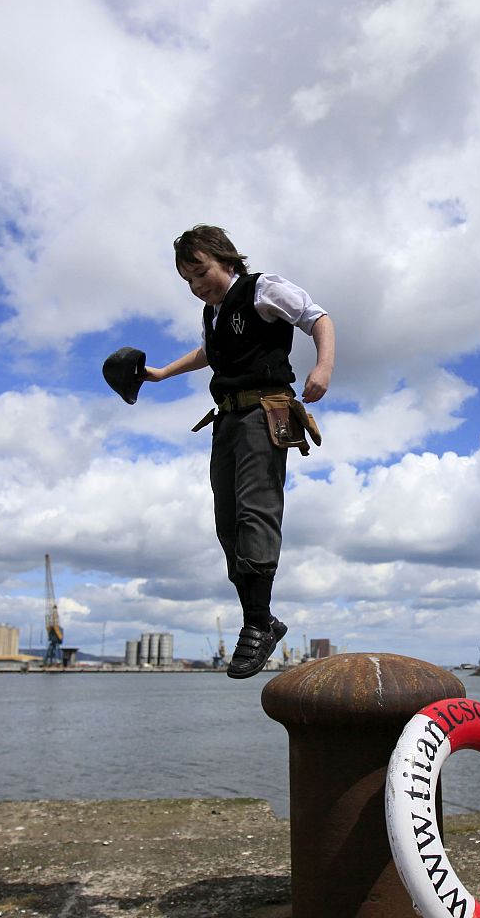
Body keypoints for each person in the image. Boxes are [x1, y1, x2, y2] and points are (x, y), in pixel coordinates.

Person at [141, 225, 336, 679]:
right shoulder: (213, 314)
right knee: (227, 524)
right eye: (187, 279)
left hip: (264, 413)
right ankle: (263, 621)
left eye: (201, 271)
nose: (196, 285)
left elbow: (317, 317)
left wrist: (323, 367)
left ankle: (255, 622)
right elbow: (208, 353)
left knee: (256, 513)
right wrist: (160, 374)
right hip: (226, 420)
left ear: (226, 260)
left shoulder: (262, 289)